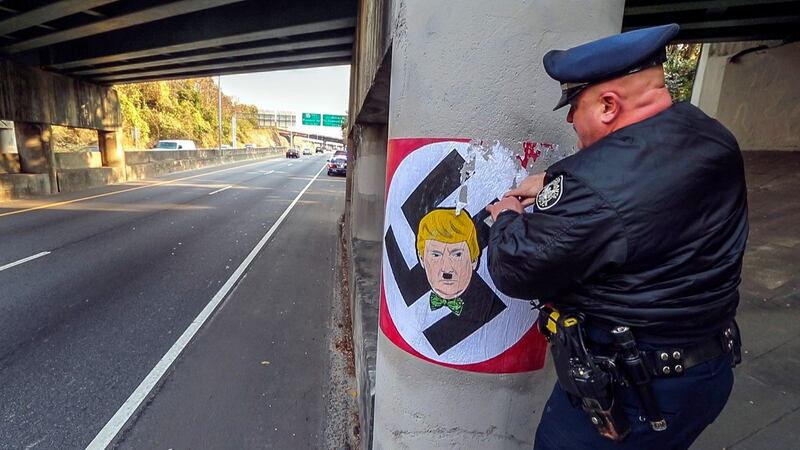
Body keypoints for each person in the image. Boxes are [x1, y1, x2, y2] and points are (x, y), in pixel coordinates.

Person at [485, 24, 748, 449]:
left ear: (608, 104)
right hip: (709, 372)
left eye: (574, 104)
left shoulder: (594, 188)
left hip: (634, 396)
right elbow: (643, 184)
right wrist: (556, 179)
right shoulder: (711, 136)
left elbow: (519, 267)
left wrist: (507, 217)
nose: (569, 118)